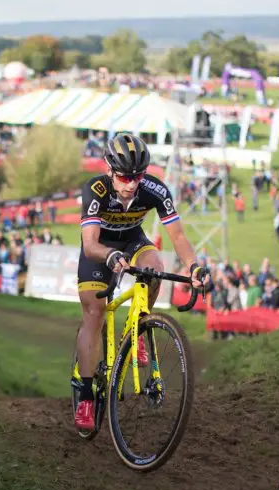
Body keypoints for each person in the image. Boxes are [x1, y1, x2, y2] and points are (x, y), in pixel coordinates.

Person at [74, 133, 209, 432]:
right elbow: (89, 245)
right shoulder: (95, 190)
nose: (132, 183)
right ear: (110, 169)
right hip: (100, 249)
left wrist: (194, 267)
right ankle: (86, 394)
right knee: (95, 313)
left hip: (134, 241)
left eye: (138, 176)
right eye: (125, 176)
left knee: (155, 268)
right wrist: (109, 256)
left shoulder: (156, 190)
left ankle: (136, 331)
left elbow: (178, 236)